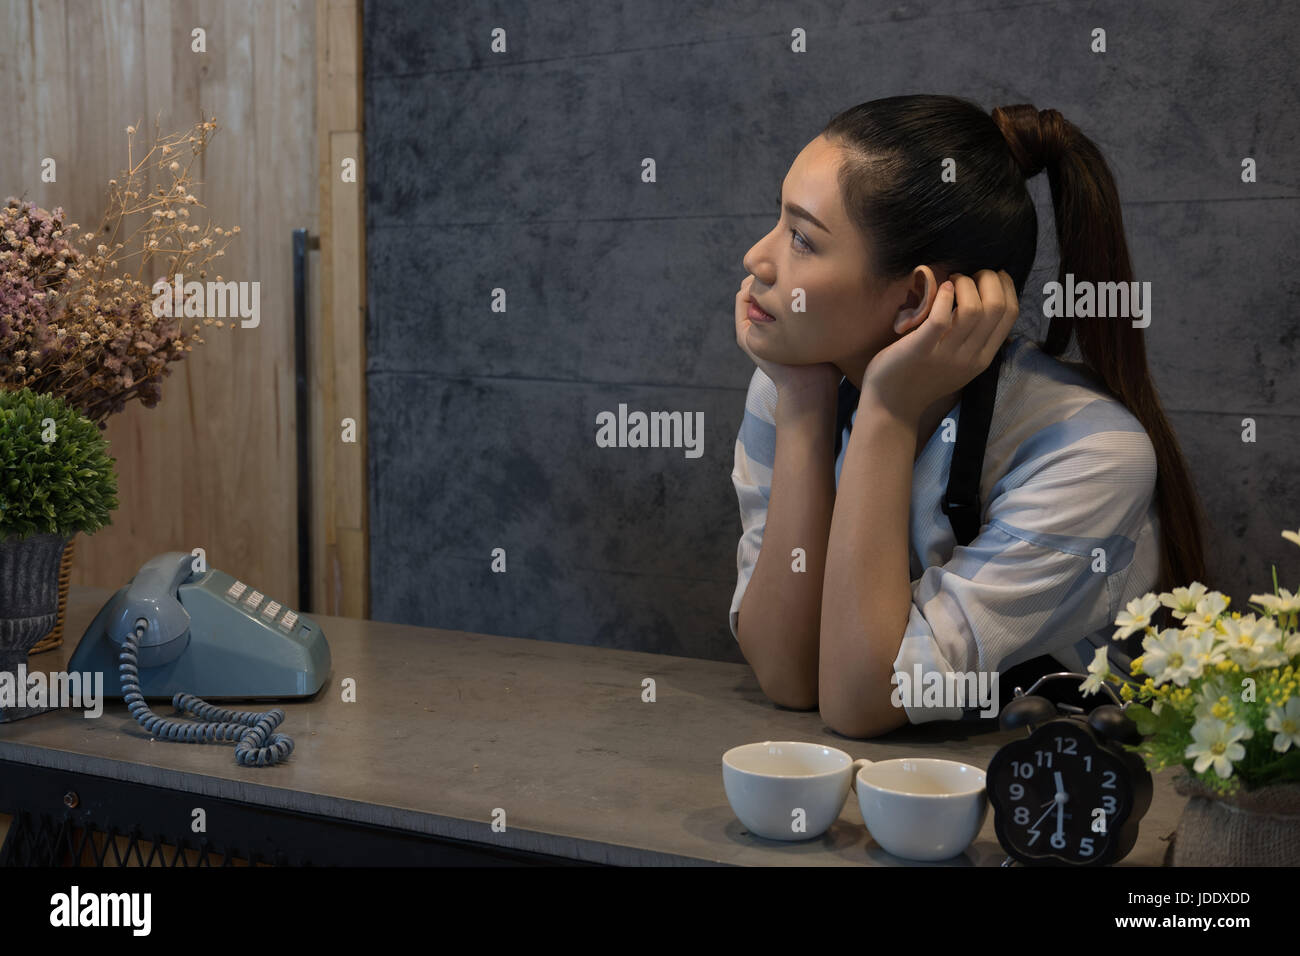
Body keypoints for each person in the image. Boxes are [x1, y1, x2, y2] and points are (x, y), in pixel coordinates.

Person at [728, 94, 1210, 737]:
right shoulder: (794, 382)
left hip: (1068, 789)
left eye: (800, 238)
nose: (756, 259)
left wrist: (888, 412)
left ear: (917, 296)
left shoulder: (1088, 453)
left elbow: (862, 701)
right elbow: (789, 676)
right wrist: (804, 403)